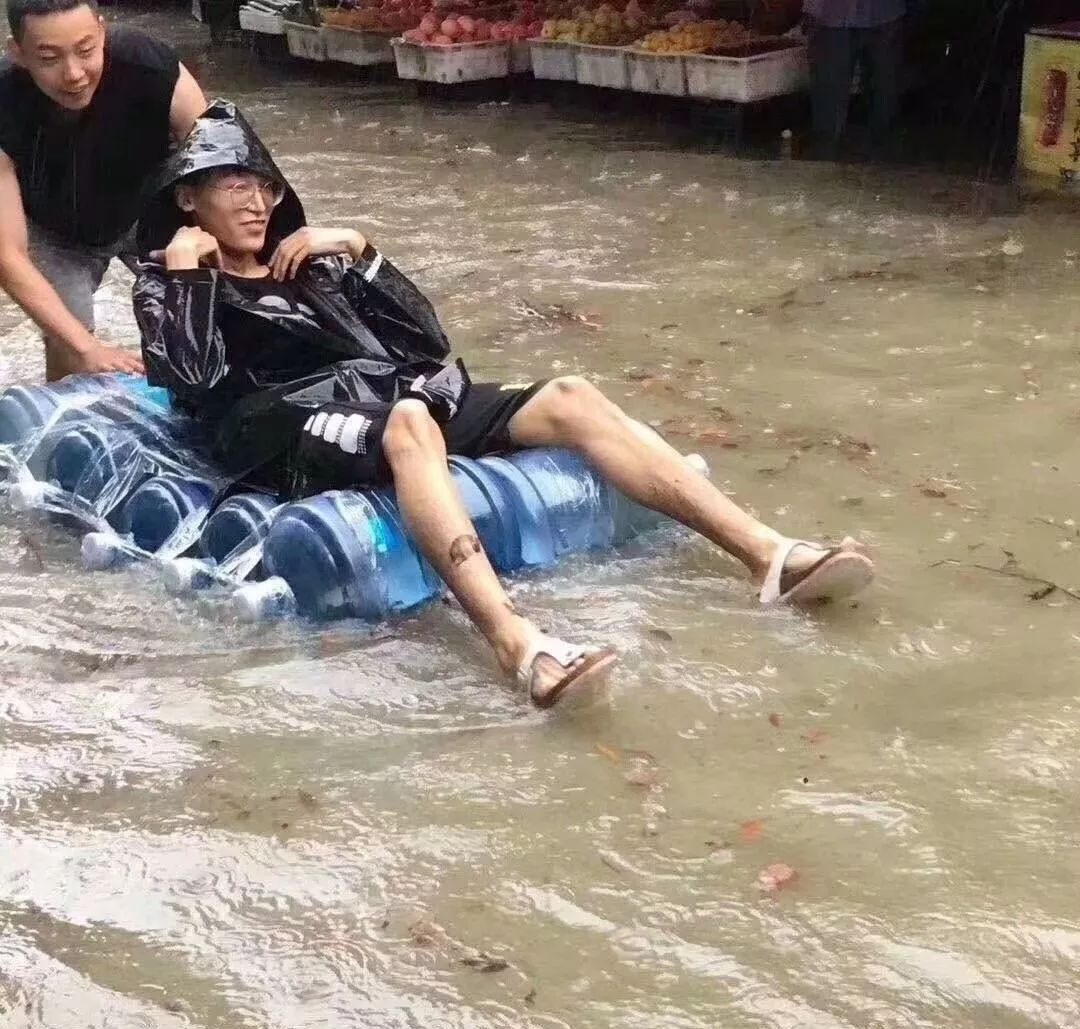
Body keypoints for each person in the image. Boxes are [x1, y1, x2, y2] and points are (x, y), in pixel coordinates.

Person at [131, 101, 875, 710]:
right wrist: (191, 277)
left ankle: (769, 555)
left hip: (387, 395)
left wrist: (360, 251)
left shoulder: (308, 264)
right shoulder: (170, 283)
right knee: (412, 420)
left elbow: (425, 340)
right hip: (280, 425)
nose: (257, 200)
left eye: (264, 185)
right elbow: (191, 379)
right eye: (233, 184)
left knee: (570, 396)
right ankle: (517, 642)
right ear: (188, 197)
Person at [0, 0, 206, 380]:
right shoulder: (4, 102)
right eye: (49, 58)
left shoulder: (150, 66)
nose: (74, 74)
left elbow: (218, 162)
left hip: (149, 207)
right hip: (54, 229)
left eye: (86, 50)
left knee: (210, 308)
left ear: (102, 30)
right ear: (19, 55)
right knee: (72, 350)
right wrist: (87, 348)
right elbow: (7, 255)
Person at [802, 0, 905, 153]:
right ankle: (826, 163)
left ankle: (881, 162)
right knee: (828, 120)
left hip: (883, 15)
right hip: (830, 16)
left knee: (883, 106)